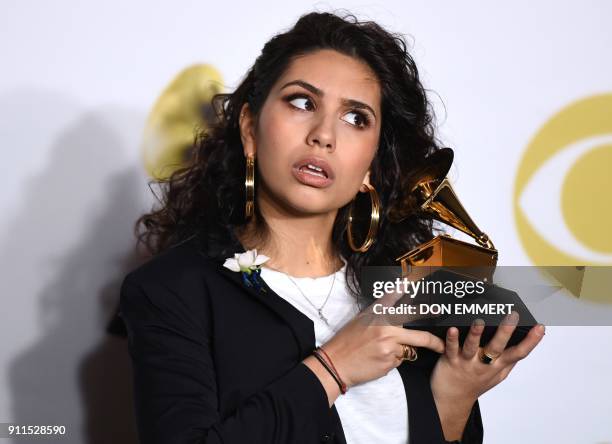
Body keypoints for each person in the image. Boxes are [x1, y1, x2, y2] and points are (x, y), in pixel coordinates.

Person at [118, 10, 546, 444]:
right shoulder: (171, 291)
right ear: (250, 128)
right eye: (303, 102)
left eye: (356, 118)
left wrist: (453, 400)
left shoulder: (409, 292)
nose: (324, 134)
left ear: (372, 164)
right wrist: (333, 368)